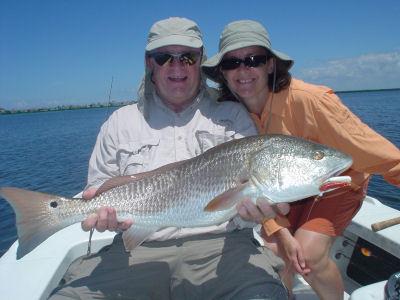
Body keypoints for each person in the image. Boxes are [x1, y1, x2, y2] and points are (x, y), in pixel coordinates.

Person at [50, 17, 289, 300]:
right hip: (134, 253)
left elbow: (249, 203)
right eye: (164, 57)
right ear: (150, 63)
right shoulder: (118, 123)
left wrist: (256, 213)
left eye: (187, 57)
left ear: (200, 60)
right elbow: (99, 189)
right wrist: (104, 217)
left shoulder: (233, 116)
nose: (177, 66)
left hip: (224, 248)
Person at [202, 19, 400, 300]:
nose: (243, 70)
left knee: (308, 254)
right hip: (277, 190)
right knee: (272, 254)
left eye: (253, 60)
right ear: (222, 72)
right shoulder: (230, 116)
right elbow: (251, 187)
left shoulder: (311, 101)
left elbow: (380, 155)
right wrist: (282, 234)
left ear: (270, 65)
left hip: (336, 183)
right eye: (232, 63)